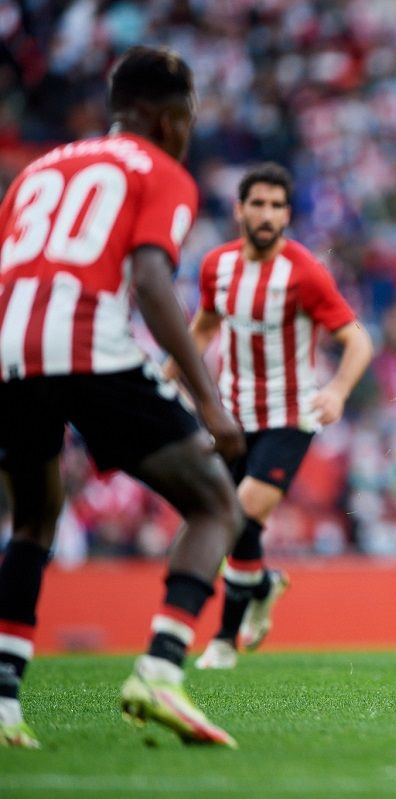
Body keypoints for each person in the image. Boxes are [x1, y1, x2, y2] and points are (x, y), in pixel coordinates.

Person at [0, 45, 245, 748]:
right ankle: (161, 670)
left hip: (11, 350)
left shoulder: (38, 170)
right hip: (85, 343)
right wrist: (208, 399)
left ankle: (3, 701)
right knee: (213, 501)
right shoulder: (161, 171)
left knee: (33, 519)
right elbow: (148, 279)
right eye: (187, 118)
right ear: (168, 120)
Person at [172, 163, 373, 670]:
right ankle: (262, 584)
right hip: (231, 416)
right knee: (238, 523)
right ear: (239, 209)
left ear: (288, 214)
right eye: (257, 204)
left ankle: (221, 641)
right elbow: (200, 330)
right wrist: (165, 379)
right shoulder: (216, 266)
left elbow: (357, 340)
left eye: (277, 206)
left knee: (237, 512)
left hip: (289, 415)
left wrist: (338, 390)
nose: (267, 215)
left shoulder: (303, 272)